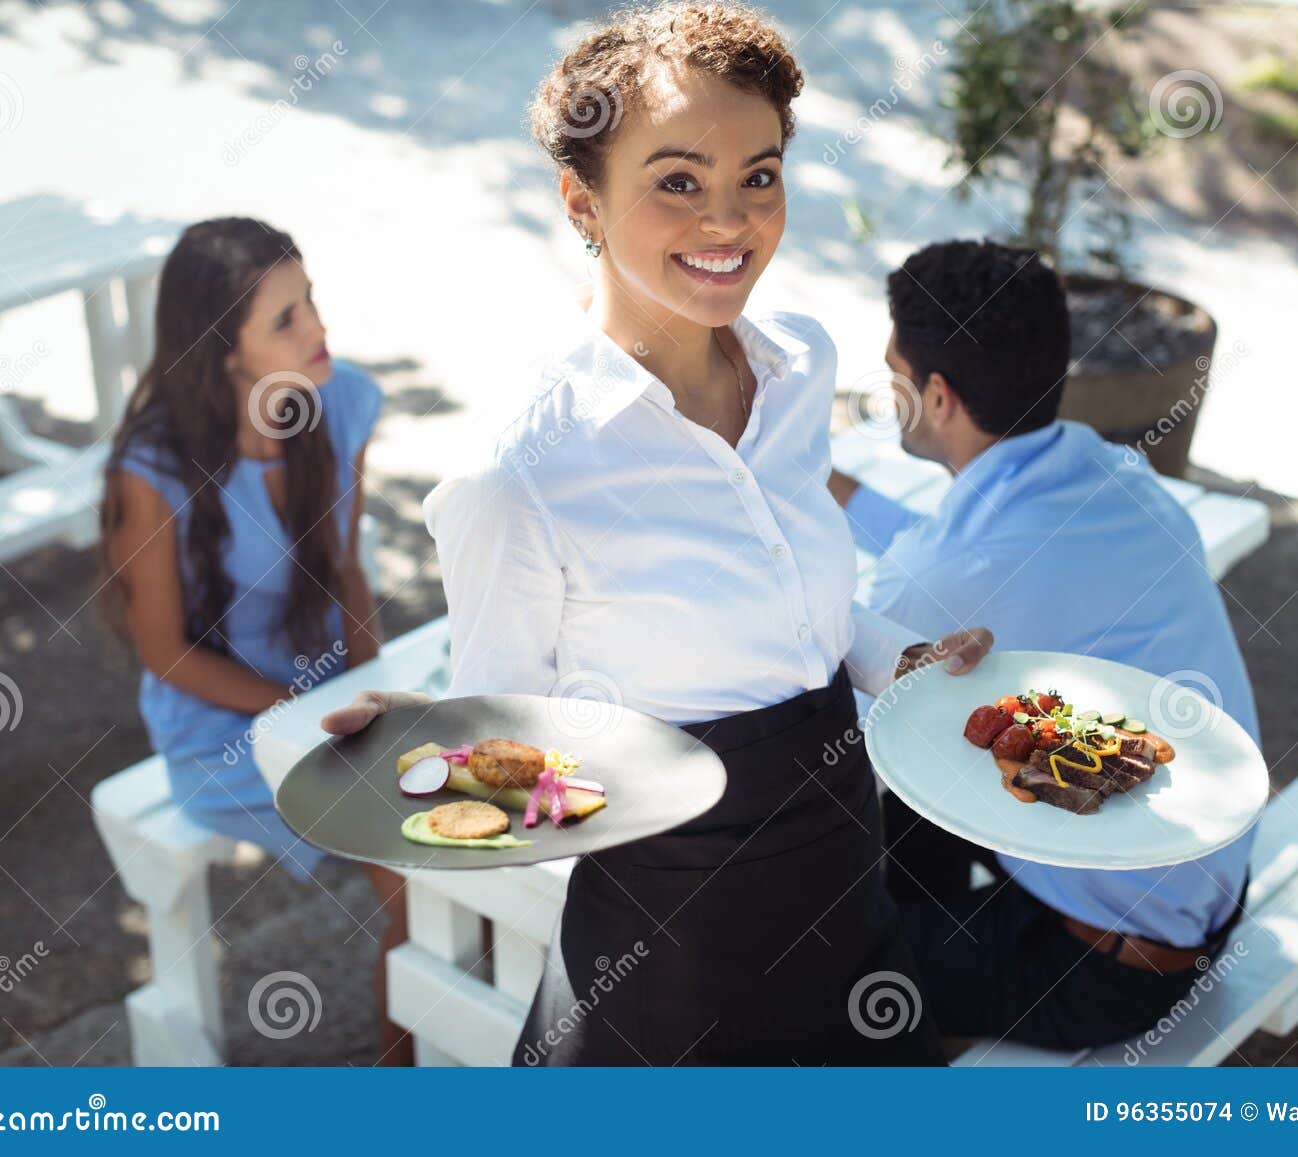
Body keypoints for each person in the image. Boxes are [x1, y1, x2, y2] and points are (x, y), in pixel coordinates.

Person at [319, 2, 993, 1065]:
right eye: (677, 180)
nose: (727, 221)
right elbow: (512, 740)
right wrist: (430, 733)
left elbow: (789, 600)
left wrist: (895, 655)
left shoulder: (800, 365)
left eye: (757, 176)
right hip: (672, 961)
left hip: (848, 892)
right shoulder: (521, 475)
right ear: (580, 201)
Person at [828, 239, 1260, 1050]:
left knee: (797, 958)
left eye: (893, 373)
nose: (885, 392)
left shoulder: (953, 574)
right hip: (1192, 893)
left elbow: (830, 692)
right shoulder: (1119, 478)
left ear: (940, 396)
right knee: (952, 763)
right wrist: (819, 483)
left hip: (1105, 971)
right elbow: (954, 551)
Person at [98, 218, 412, 1064]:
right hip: (221, 723)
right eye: (285, 319)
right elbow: (164, 651)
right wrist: (299, 716)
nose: (317, 329)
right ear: (222, 349)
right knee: (419, 874)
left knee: (456, 831)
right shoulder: (152, 470)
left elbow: (344, 567)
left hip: (324, 697)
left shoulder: (339, 400)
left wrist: (370, 693)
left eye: (310, 302)